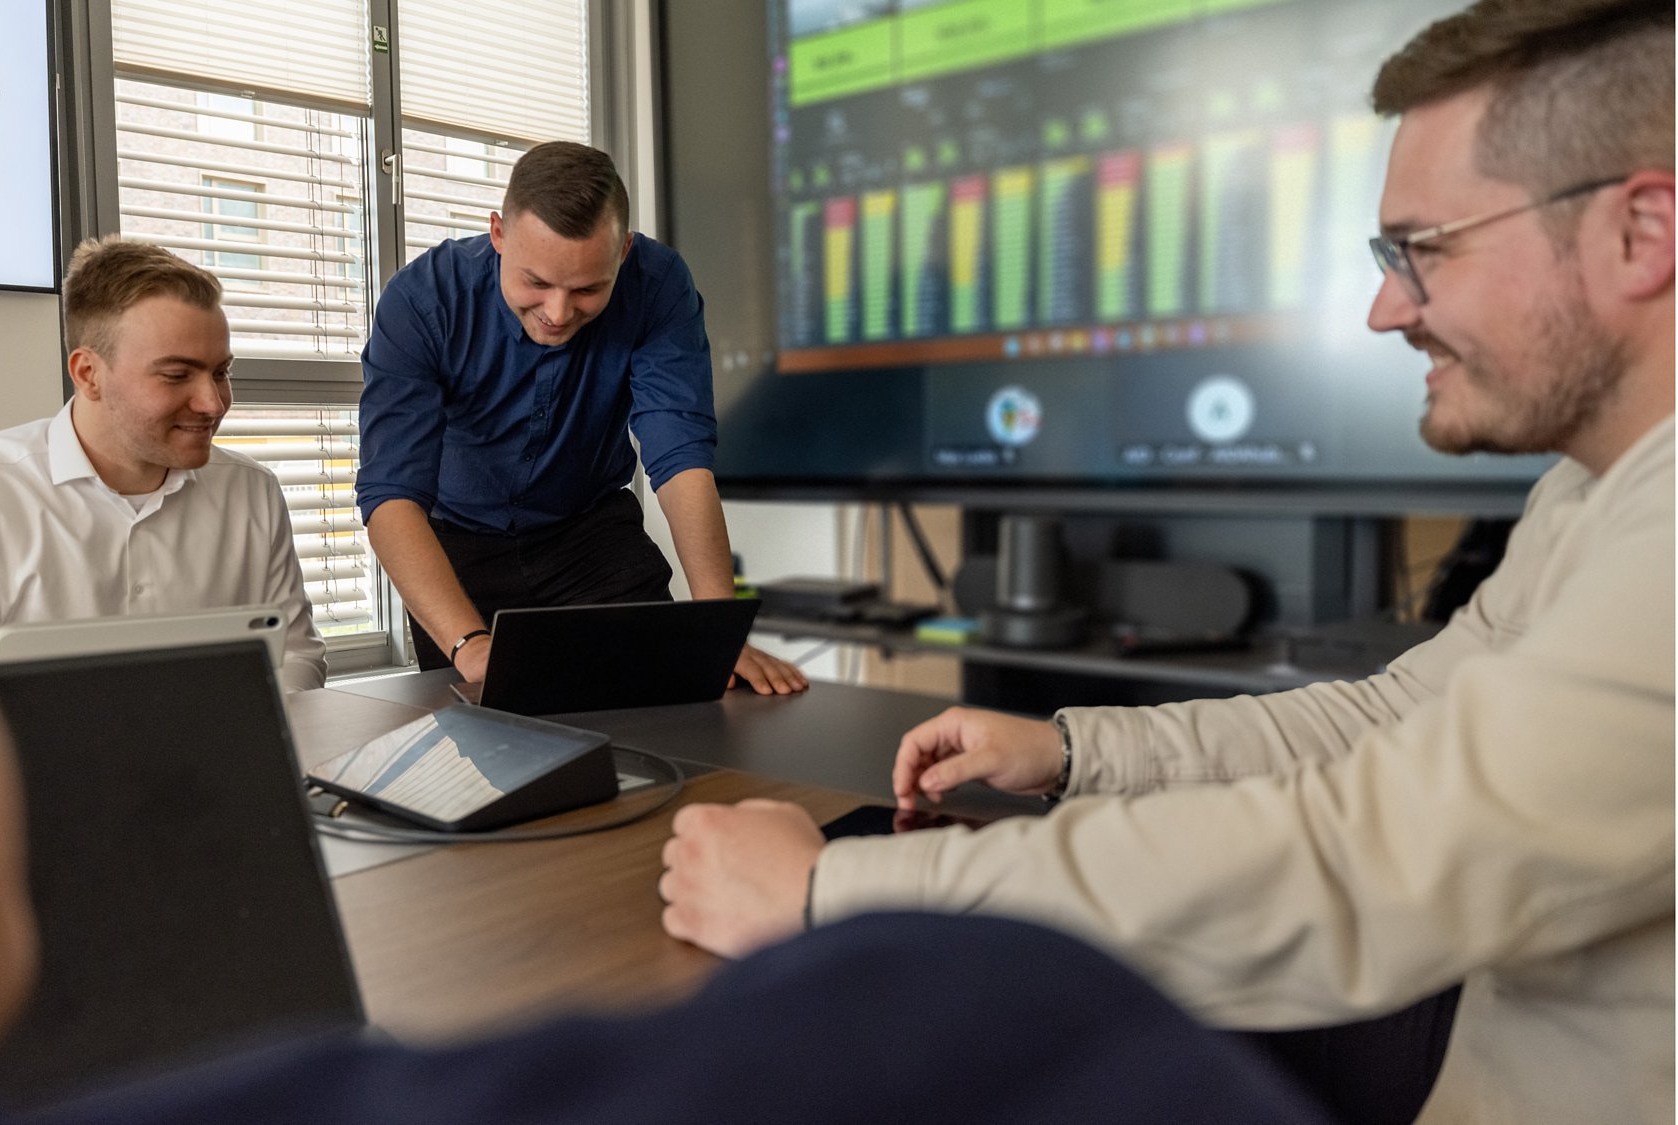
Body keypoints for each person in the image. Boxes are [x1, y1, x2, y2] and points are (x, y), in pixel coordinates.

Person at [0, 308, 1331, 1123]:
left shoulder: (280, 476)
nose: (213, 402)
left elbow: (300, 670)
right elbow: (1018, 1039)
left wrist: (709, 611)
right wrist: (847, 902)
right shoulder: (996, 1048)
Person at [657, 2, 1674, 1122]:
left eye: (1423, 250)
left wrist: (827, 897)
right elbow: (1384, 725)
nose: (1386, 308)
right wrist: (1072, 750)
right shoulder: (1590, 489)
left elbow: (1358, 862)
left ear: (1640, 232)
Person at [357, 141, 806, 694]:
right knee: (482, 739)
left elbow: (679, 456)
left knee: (679, 696)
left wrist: (720, 623)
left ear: (623, 252)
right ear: (498, 234)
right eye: (536, 283)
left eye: (588, 289)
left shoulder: (658, 285)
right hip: (458, 547)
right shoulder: (423, 301)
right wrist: (468, 645)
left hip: (590, 535)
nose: (558, 312)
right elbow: (391, 496)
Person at [0, 236, 328, 691]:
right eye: (176, 375)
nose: (213, 402)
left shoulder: (252, 492)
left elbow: (296, 657)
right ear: (89, 374)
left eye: (221, 372)